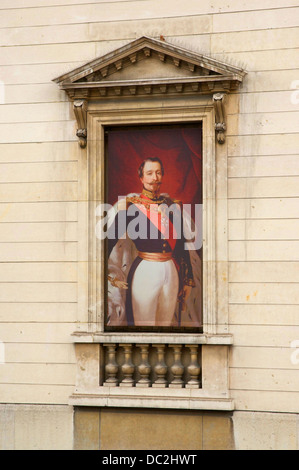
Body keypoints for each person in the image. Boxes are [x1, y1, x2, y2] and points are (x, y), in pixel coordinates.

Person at [106, 157, 197, 328]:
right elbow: (107, 243)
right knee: (143, 325)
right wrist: (110, 277)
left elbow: (181, 247)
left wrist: (187, 280)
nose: (155, 178)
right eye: (149, 173)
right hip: (144, 272)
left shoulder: (173, 206)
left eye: (158, 173)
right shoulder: (130, 206)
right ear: (141, 178)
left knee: (166, 325)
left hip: (171, 273)